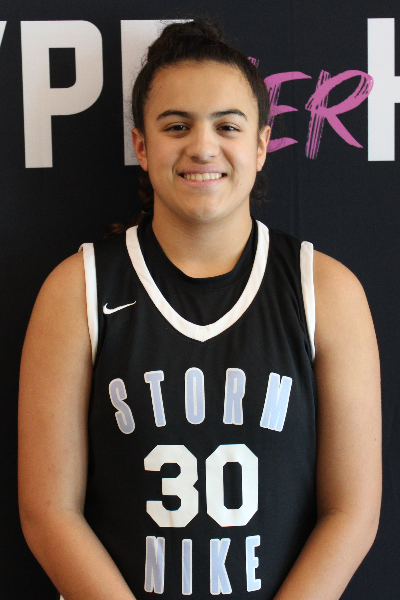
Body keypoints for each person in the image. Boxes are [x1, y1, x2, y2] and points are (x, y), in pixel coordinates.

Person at [18, 19, 381, 600]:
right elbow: (48, 511)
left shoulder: (327, 291)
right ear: (142, 145)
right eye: (176, 126)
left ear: (261, 144)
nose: (203, 147)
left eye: (227, 125)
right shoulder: (76, 289)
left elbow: (352, 512)